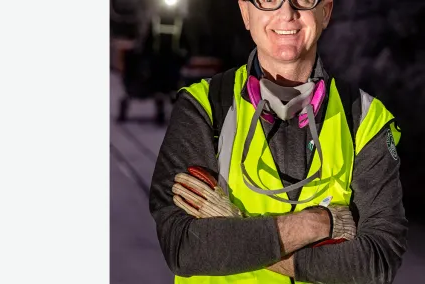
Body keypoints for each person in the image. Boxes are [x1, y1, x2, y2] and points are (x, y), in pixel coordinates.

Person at [148, 0, 408, 283]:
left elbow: (376, 261)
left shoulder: (367, 120)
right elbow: (184, 248)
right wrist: (318, 223)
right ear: (246, 12)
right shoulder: (203, 108)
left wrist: (236, 236)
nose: (287, 13)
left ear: (326, 11)